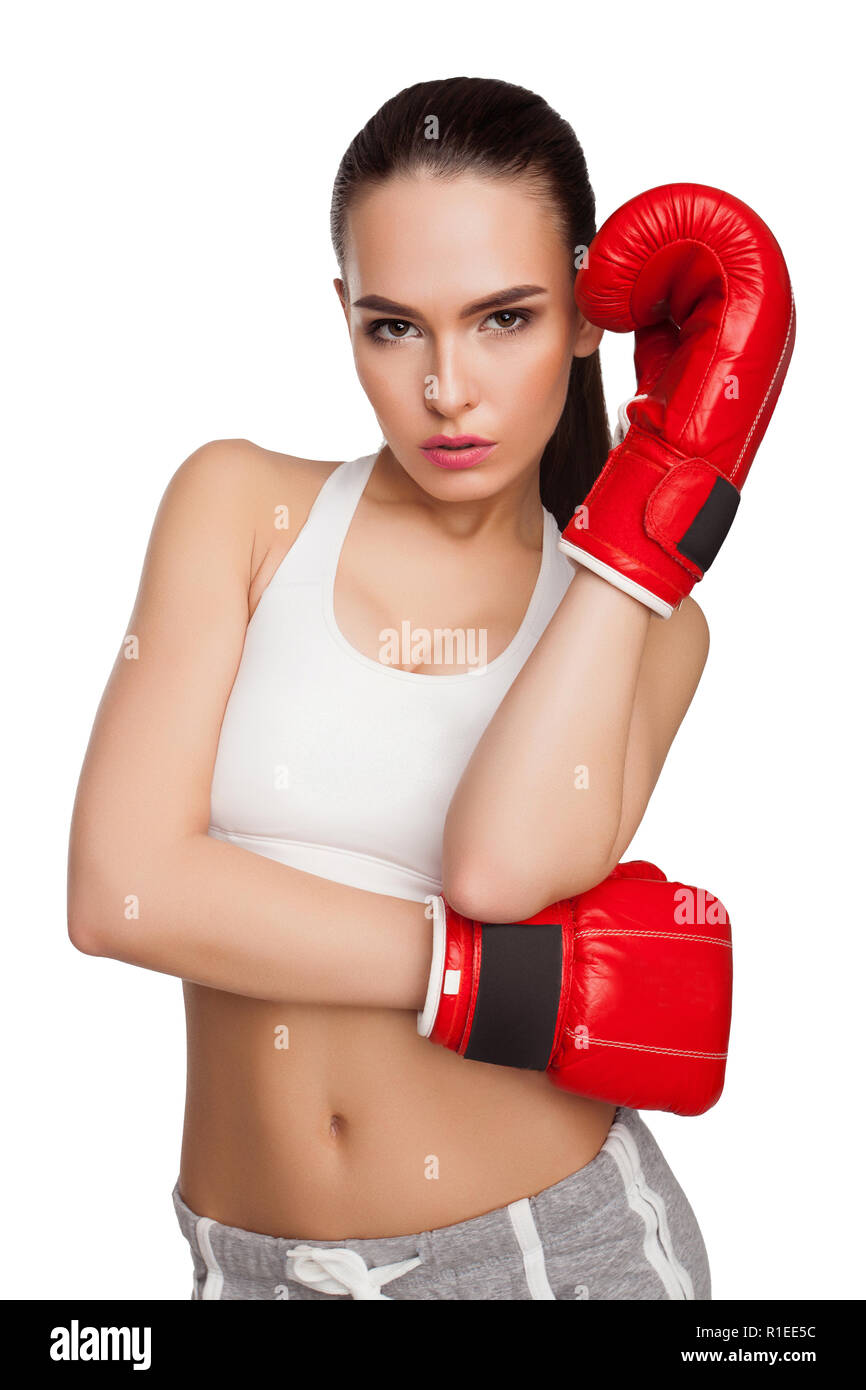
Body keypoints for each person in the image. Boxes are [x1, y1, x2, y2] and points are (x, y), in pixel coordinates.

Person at [68, 76, 722, 1300]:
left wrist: (653, 513)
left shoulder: (644, 625)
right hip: (249, 1268)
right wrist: (482, 977)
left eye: (505, 319)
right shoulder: (241, 506)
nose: (446, 388)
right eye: (394, 325)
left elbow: (498, 872)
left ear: (587, 319)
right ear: (343, 314)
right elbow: (124, 888)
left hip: (554, 1260)